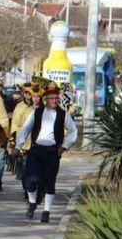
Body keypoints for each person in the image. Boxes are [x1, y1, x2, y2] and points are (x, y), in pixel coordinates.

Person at [14, 82, 78, 224]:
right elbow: (25, 129)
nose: (54, 101)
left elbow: (73, 131)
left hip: (52, 153)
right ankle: (32, 202)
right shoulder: (36, 113)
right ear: (45, 100)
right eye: (51, 98)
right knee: (30, 180)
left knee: (50, 182)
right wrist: (18, 146)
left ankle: (46, 211)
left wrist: (64, 147)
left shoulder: (63, 114)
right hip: (36, 151)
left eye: (56, 98)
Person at [10, 83, 36, 197]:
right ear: (23, 94)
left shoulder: (39, 107)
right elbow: (15, 125)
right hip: (24, 142)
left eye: (31, 93)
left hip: (37, 142)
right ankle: (27, 190)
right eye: (26, 92)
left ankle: (35, 189)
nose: (29, 95)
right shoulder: (19, 107)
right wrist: (13, 143)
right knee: (25, 168)